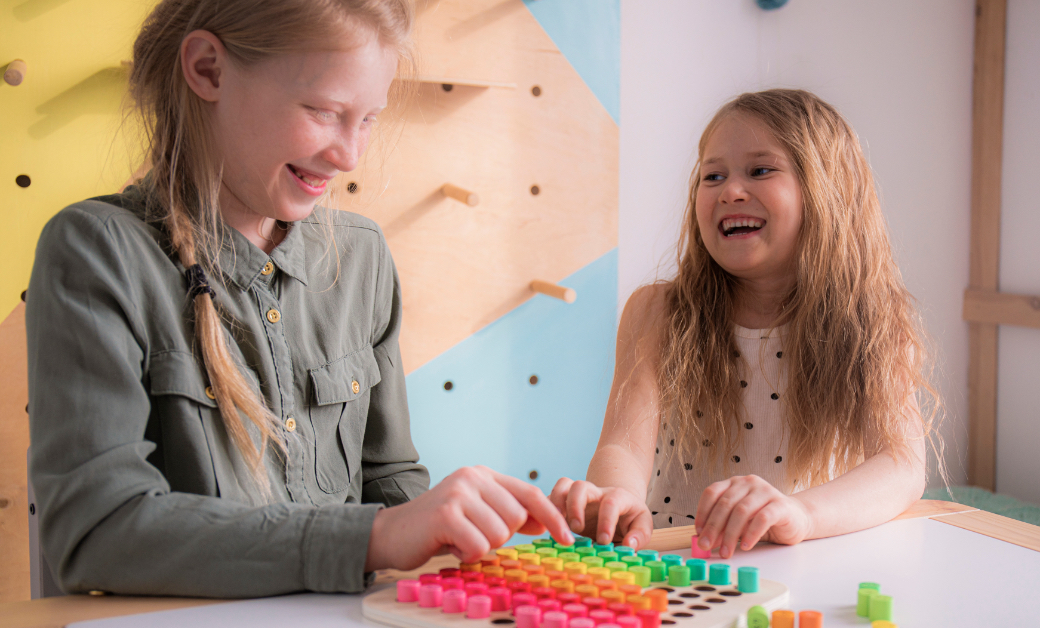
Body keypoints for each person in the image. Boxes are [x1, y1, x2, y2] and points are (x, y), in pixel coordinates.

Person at [26, 0, 571, 598]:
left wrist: (476, 536)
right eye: (323, 111)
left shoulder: (361, 257)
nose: (350, 155)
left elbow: (387, 476)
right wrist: (372, 538)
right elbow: (98, 531)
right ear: (208, 69)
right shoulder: (97, 251)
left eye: (369, 119)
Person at [551, 89, 940, 558]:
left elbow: (900, 467)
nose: (730, 190)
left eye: (760, 170)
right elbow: (622, 448)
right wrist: (617, 498)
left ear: (826, 191)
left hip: (802, 565)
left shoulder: (874, 320)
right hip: (677, 568)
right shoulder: (658, 311)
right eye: (712, 175)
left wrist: (801, 515)